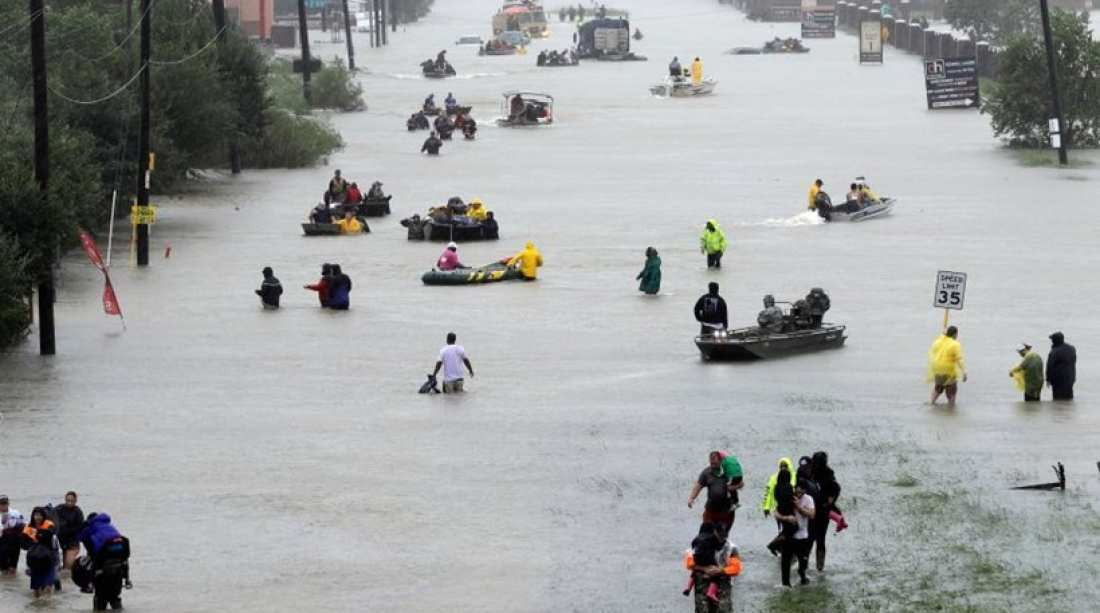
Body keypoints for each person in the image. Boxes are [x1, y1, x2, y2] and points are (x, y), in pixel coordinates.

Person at [78, 513, 131, 611]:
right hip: (119, 566)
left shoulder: (90, 529)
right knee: (115, 596)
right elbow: (125, 557)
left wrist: (89, 582)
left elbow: (81, 539)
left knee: (100, 599)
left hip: (102, 567)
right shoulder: (109, 527)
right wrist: (127, 578)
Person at [683, 522, 739, 613]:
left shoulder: (731, 548)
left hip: (722, 588)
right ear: (714, 532)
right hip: (702, 587)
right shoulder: (701, 543)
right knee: (702, 610)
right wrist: (704, 569)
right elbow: (689, 563)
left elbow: (737, 568)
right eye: (718, 534)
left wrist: (721, 570)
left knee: (723, 610)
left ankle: (690, 587)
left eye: (724, 535)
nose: (721, 537)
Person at [809, 451, 846, 572]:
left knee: (817, 539)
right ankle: (812, 566)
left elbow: (837, 488)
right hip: (813, 510)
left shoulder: (827, 475)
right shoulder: (812, 472)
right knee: (813, 538)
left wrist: (831, 500)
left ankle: (818, 567)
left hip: (822, 511)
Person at [776, 480, 815, 587]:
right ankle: (785, 585)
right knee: (785, 561)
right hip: (789, 535)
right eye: (797, 491)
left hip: (802, 537)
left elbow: (812, 515)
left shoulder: (808, 499)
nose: (798, 494)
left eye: (801, 492)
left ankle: (802, 575)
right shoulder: (789, 497)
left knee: (803, 563)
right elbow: (776, 513)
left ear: (805, 491)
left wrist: (798, 507)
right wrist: (786, 518)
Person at [687, 452, 735, 532]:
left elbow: (740, 483)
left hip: (725, 511)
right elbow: (698, 485)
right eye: (711, 462)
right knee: (705, 532)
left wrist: (733, 487)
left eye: (714, 463)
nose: (712, 464)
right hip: (710, 510)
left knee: (721, 534)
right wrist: (691, 498)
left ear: (721, 461)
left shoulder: (728, 472)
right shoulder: (706, 473)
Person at [21, 507, 59, 598]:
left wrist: (38, 535)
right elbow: (23, 544)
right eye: (36, 515)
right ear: (33, 516)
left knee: (48, 585)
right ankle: (37, 604)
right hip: (34, 560)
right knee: (36, 589)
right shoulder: (28, 527)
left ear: (44, 516)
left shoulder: (49, 525)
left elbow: (52, 539)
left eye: (40, 515)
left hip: (49, 559)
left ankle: (48, 603)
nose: (38, 517)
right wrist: (34, 542)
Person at [929, 325, 967, 406]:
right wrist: (964, 372)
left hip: (937, 369)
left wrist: (943, 332)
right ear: (955, 334)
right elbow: (959, 359)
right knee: (952, 390)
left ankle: (931, 403)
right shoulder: (955, 344)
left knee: (938, 387)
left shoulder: (938, 341)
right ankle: (951, 407)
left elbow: (941, 336)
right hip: (948, 371)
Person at [54, 492, 84, 571]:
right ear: (65, 500)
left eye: (72, 501)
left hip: (73, 542)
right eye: (68, 500)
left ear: (75, 501)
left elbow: (80, 527)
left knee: (68, 567)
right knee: (59, 567)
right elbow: (50, 517)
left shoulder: (78, 512)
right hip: (60, 541)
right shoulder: (59, 509)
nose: (70, 503)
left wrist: (66, 528)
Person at [1046, 331, 1076, 400]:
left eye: (1052, 340)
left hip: (1058, 381)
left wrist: (1048, 379)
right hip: (1070, 378)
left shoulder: (1054, 351)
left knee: (1058, 399)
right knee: (1068, 398)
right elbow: (1074, 361)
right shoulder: (1072, 348)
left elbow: (1050, 366)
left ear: (1054, 341)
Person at [0, 496, 24, 575]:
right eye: (1, 503)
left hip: (14, 541)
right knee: (3, 567)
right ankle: (6, 580)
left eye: (5, 503)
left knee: (13, 566)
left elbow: (23, 524)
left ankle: (12, 578)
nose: (3, 505)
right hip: (2, 541)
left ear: (8, 503)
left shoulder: (15, 513)